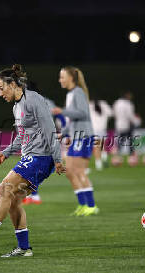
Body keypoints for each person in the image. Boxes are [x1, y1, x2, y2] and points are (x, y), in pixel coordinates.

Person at [0, 64, 65, 257]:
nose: (0, 94)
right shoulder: (17, 106)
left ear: (14, 84)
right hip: (31, 157)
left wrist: (57, 159)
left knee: (4, 189)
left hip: (41, 157)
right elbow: (21, 136)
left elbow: (50, 130)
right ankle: (24, 248)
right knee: (14, 202)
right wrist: (6, 152)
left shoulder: (34, 100)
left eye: (1, 88)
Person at [52, 66, 98, 216]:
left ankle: (91, 206)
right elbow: (72, 119)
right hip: (76, 137)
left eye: (62, 76)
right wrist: (63, 134)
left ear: (71, 78)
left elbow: (83, 113)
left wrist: (62, 111)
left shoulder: (78, 92)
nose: (60, 80)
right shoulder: (71, 94)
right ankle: (82, 204)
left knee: (78, 171)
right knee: (70, 172)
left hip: (84, 136)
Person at [113, 91, 141, 156]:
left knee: (123, 138)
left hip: (119, 124)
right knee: (129, 139)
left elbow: (114, 113)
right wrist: (137, 121)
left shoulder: (117, 103)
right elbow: (130, 115)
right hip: (127, 124)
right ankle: (131, 152)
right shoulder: (128, 104)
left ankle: (118, 151)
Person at [89, 98, 112, 171]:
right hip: (102, 128)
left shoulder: (89, 105)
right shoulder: (104, 104)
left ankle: (98, 164)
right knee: (102, 146)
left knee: (96, 147)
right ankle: (104, 160)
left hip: (94, 129)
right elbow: (111, 113)